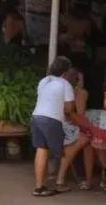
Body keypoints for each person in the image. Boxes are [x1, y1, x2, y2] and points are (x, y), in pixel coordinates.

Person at [30, 56, 76, 197]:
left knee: (41, 150)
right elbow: (69, 109)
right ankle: (59, 183)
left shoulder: (44, 81)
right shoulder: (65, 84)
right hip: (51, 120)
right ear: (66, 71)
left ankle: (39, 187)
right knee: (62, 149)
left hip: (36, 117)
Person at [55, 69, 95, 192]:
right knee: (89, 139)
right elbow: (80, 115)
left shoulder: (58, 89)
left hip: (56, 126)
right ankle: (86, 180)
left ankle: (85, 180)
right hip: (66, 128)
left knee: (87, 140)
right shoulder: (80, 92)